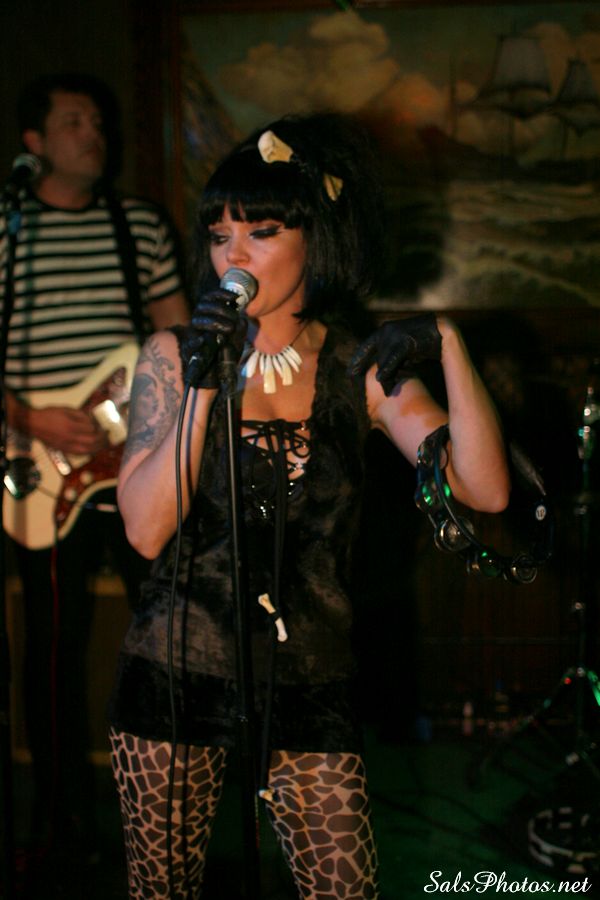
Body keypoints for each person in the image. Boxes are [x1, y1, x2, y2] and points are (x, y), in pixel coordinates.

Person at [109, 112, 510, 899]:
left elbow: (484, 488)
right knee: (162, 890)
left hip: (311, 677)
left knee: (344, 887)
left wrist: (450, 345)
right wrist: (204, 378)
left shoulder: (359, 366)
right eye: (220, 235)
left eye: (260, 232)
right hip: (175, 671)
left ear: (312, 239)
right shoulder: (172, 357)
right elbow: (148, 531)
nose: (234, 254)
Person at [0, 73, 189, 868]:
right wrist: (28, 417)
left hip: (134, 462)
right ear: (34, 142)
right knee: (51, 645)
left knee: (167, 631)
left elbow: (179, 338)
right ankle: (57, 818)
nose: (94, 132)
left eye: (98, 120)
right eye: (73, 121)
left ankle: (171, 807)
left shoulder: (137, 224)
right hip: (40, 468)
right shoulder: (7, 228)